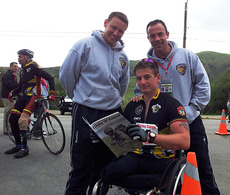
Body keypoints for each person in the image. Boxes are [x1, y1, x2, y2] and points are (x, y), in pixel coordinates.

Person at [134, 19, 220, 195]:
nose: (157, 38)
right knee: (166, 174)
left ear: (167, 35)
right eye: (152, 36)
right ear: (148, 38)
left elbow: (203, 87)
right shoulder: (148, 63)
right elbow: (140, 90)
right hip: (161, 128)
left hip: (189, 122)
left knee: (201, 168)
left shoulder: (187, 56)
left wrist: (189, 111)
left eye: (160, 34)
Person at [59, 11, 130, 195]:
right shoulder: (84, 45)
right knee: (82, 167)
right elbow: (66, 76)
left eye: (121, 31)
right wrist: (81, 97)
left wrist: (111, 100)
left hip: (113, 113)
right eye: (113, 27)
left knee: (107, 165)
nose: (116, 33)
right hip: (86, 112)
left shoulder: (123, 57)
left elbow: (122, 86)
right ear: (105, 23)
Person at [100, 59, 190, 192]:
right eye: (139, 78)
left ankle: (140, 185)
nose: (142, 82)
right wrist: (104, 134)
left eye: (147, 77)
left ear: (158, 78)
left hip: (161, 159)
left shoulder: (171, 104)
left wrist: (150, 137)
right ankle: (146, 185)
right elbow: (123, 138)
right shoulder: (132, 105)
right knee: (107, 173)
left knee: (165, 179)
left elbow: (185, 141)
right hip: (136, 157)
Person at [4, 49, 55, 158]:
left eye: (20, 56)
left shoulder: (34, 67)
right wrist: (13, 92)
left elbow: (50, 78)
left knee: (22, 120)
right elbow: (22, 86)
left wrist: (52, 92)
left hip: (33, 96)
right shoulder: (22, 71)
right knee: (13, 118)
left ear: (27, 57)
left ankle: (25, 149)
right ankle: (18, 145)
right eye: (18, 56)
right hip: (24, 96)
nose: (18, 59)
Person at [1, 62, 18, 134]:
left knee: (7, 112)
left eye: (17, 67)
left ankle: (6, 129)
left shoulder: (12, 75)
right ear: (10, 67)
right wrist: (19, 85)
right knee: (9, 112)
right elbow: (10, 85)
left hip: (9, 95)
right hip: (7, 96)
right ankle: (8, 129)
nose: (16, 68)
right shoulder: (7, 75)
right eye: (14, 66)